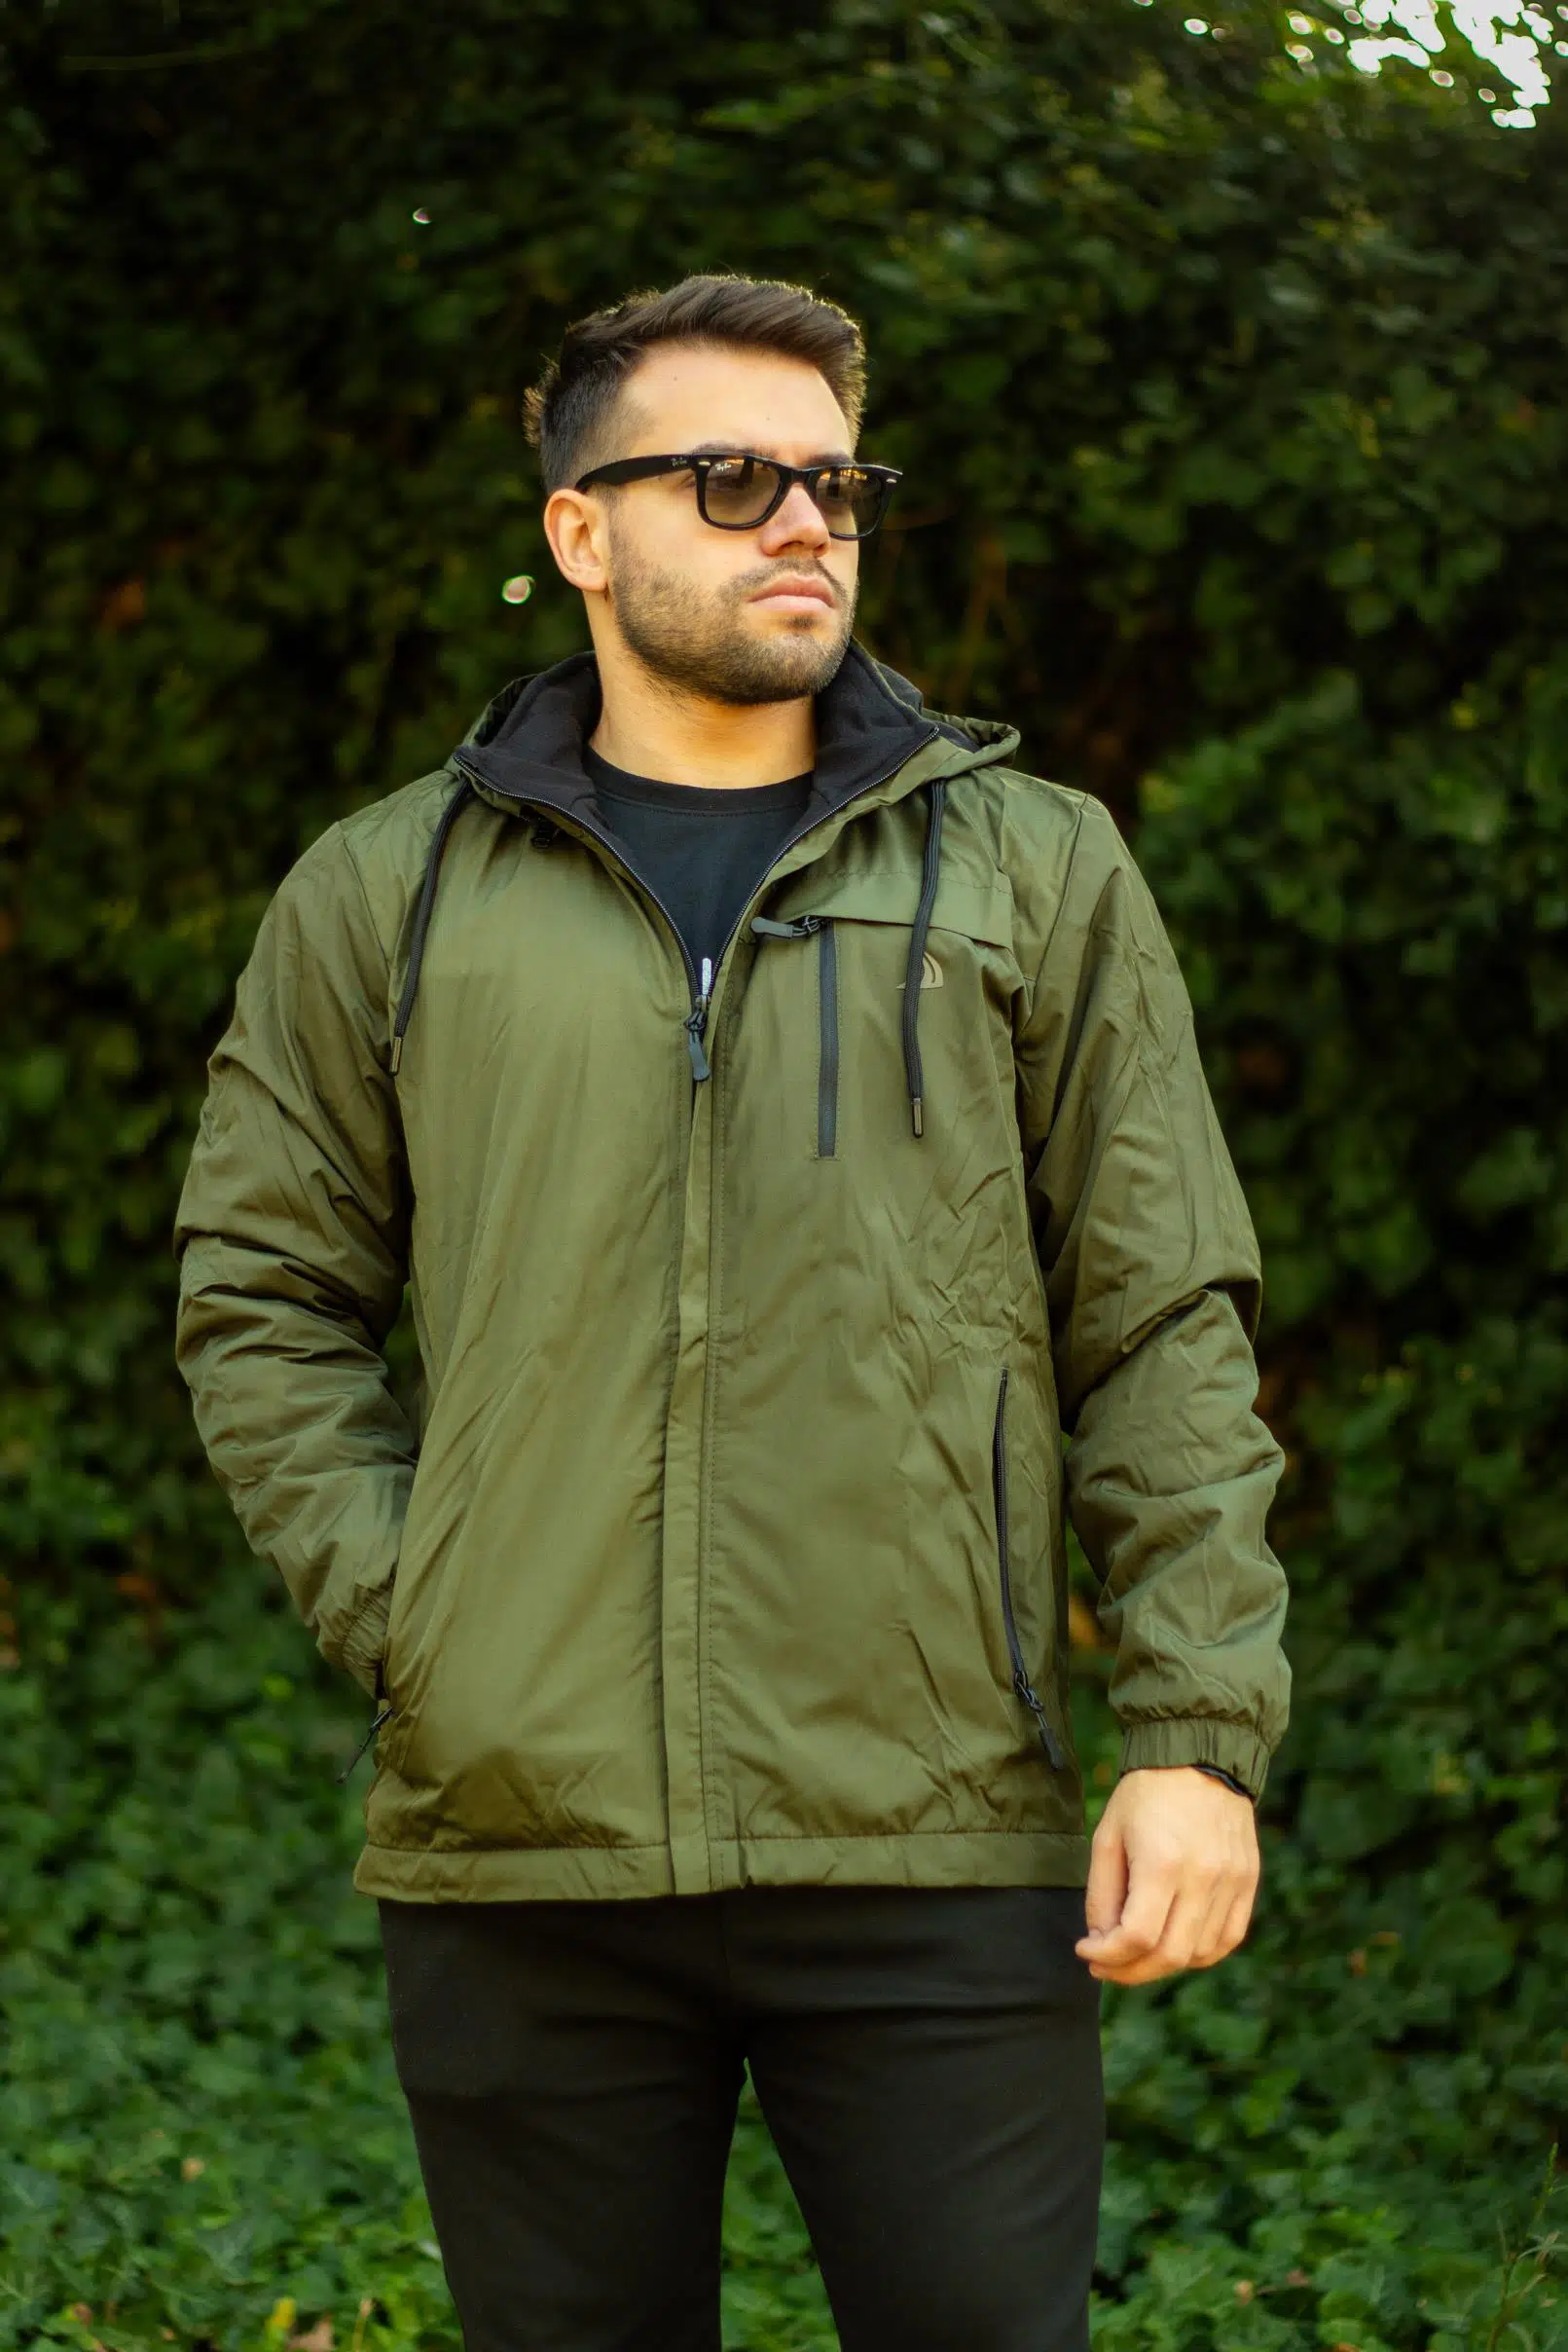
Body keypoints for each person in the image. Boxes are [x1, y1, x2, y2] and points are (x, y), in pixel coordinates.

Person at [173, 273, 1290, 2352]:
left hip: (936, 1834)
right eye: (730, 478)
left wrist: (1198, 1733)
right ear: (577, 531)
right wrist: (425, 1616)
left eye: (837, 485)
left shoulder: (1033, 869)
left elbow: (1159, 1316)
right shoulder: (386, 891)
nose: (805, 523)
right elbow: (261, 1296)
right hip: (524, 1851)